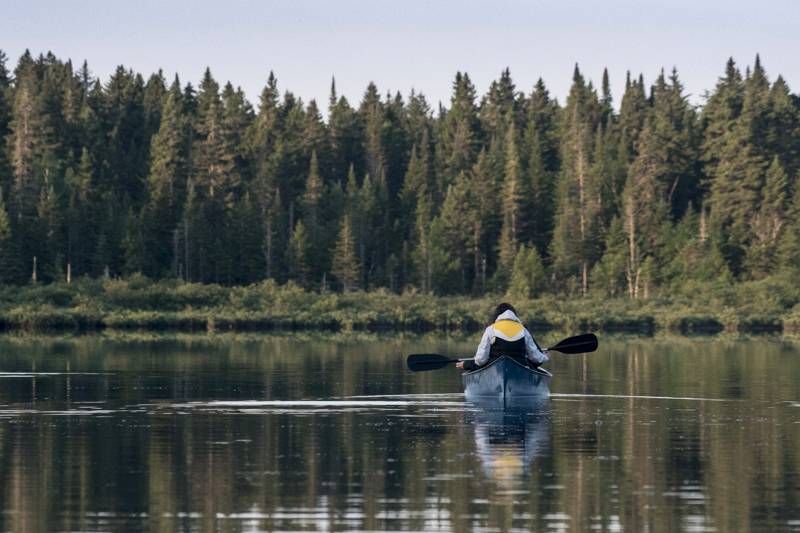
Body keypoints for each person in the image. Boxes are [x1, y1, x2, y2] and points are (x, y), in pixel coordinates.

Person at [456, 303, 549, 371]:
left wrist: (467, 364)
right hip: (520, 368)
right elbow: (536, 358)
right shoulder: (523, 330)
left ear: (496, 315)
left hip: (494, 369)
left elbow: (480, 360)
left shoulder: (490, 329)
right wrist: (545, 356)